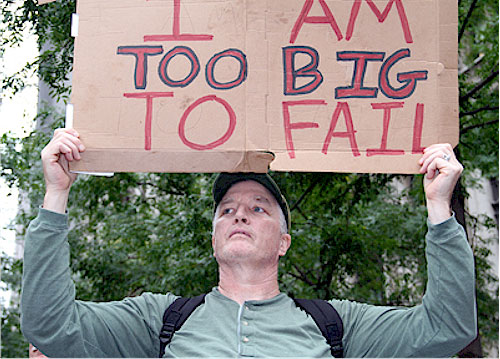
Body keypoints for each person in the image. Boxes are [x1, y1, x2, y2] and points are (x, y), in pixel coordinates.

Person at [21, 128, 476, 357]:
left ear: (283, 242)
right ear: (214, 237)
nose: (239, 211)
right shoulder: (159, 320)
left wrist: (439, 207)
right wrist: (56, 194)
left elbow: (448, 329)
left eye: (259, 207)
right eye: (226, 209)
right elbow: (49, 326)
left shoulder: (338, 326)